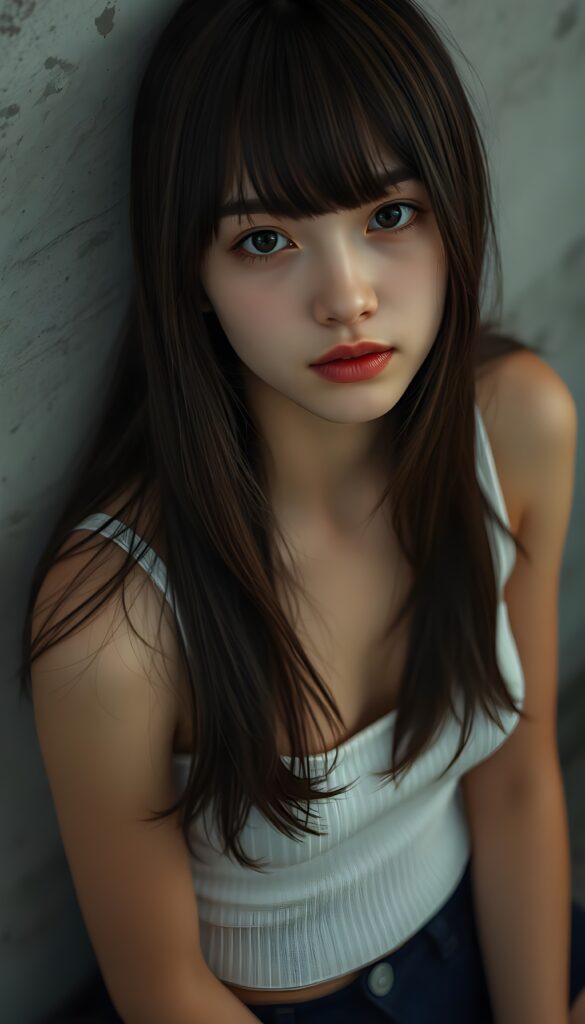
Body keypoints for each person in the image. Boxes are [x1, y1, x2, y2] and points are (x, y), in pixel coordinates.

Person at [20, 1, 585, 1021]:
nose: (348, 295)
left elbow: (515, 784)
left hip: (493, 933)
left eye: (389, 215)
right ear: (189, 270)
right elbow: (165, 987)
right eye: (268, 238)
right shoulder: (115, 624)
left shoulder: (517, 429)